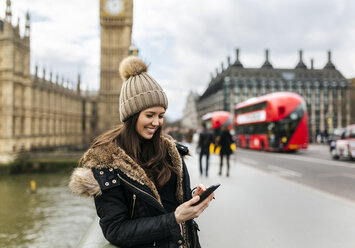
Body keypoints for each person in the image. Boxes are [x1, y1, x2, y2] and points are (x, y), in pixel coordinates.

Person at [69, 56, 214, 248]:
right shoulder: (107, 163)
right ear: (131, 115)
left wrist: (195, 196)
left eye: (161, 116)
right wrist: (174, 218)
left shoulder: (171, 152)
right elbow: (116, 230)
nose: (156, 122)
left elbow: (171, 203)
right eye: (150, 115)